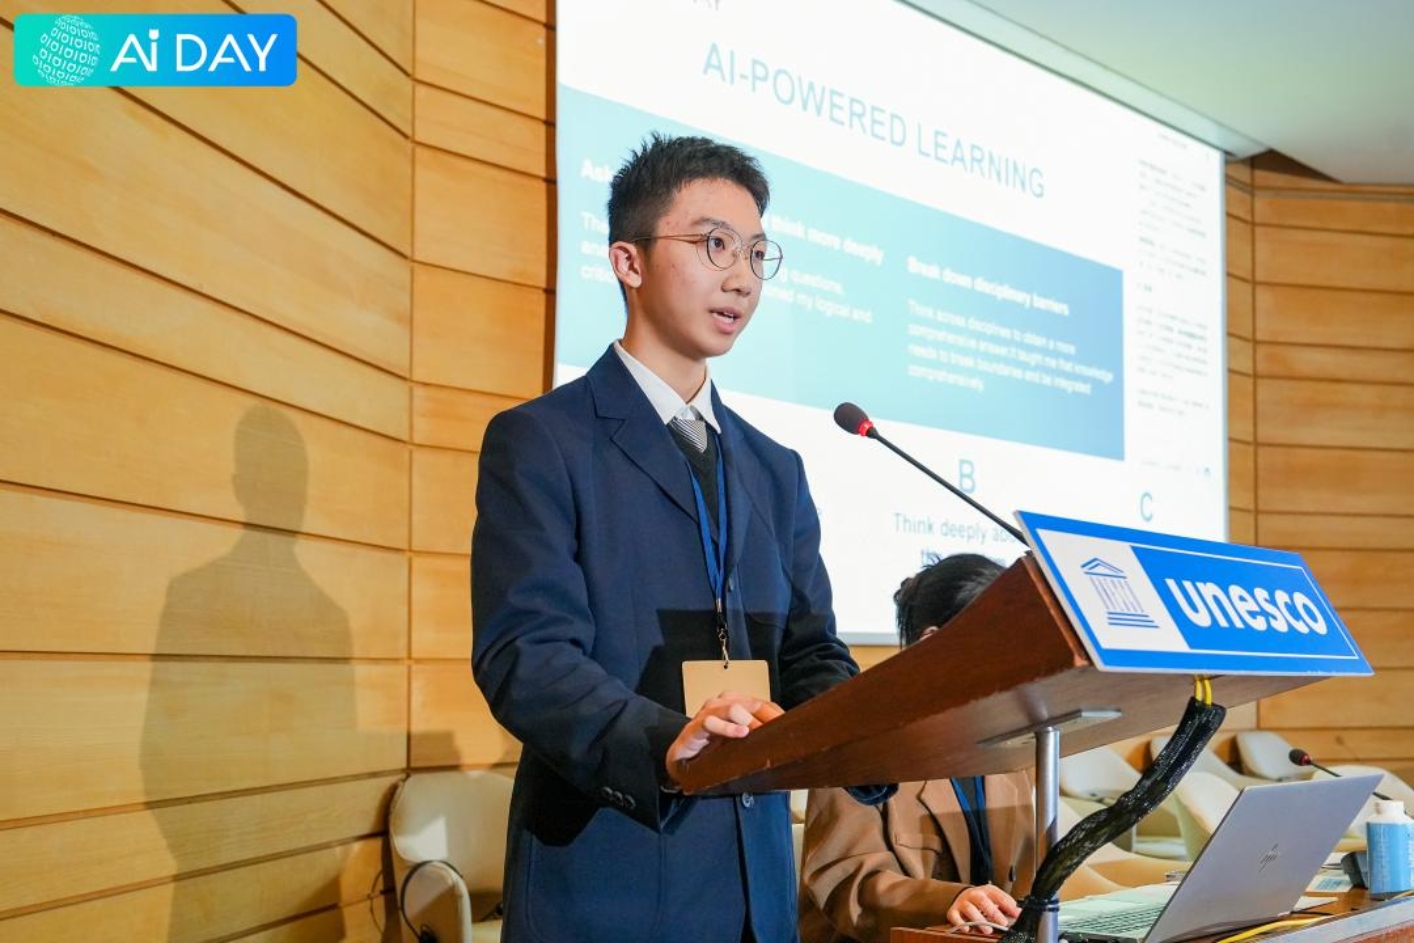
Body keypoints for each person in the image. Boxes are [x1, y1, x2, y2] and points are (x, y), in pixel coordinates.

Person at [472, 133, 881, 943]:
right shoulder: (544, 440)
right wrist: (669, 744)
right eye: (714, 244)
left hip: (757, 894)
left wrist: (872, 726)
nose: (742, 277)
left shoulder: (775, 468)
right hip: (610, 878)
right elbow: (527, 656)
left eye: (757, 253)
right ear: (628, 261)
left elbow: (810, 651)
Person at [798, 554, 1039, 943]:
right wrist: (949, 900)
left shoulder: (1008, 742)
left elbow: (1025, 878)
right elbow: (847, 882)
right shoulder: (856, 739)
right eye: (999, 641)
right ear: (933, 644)